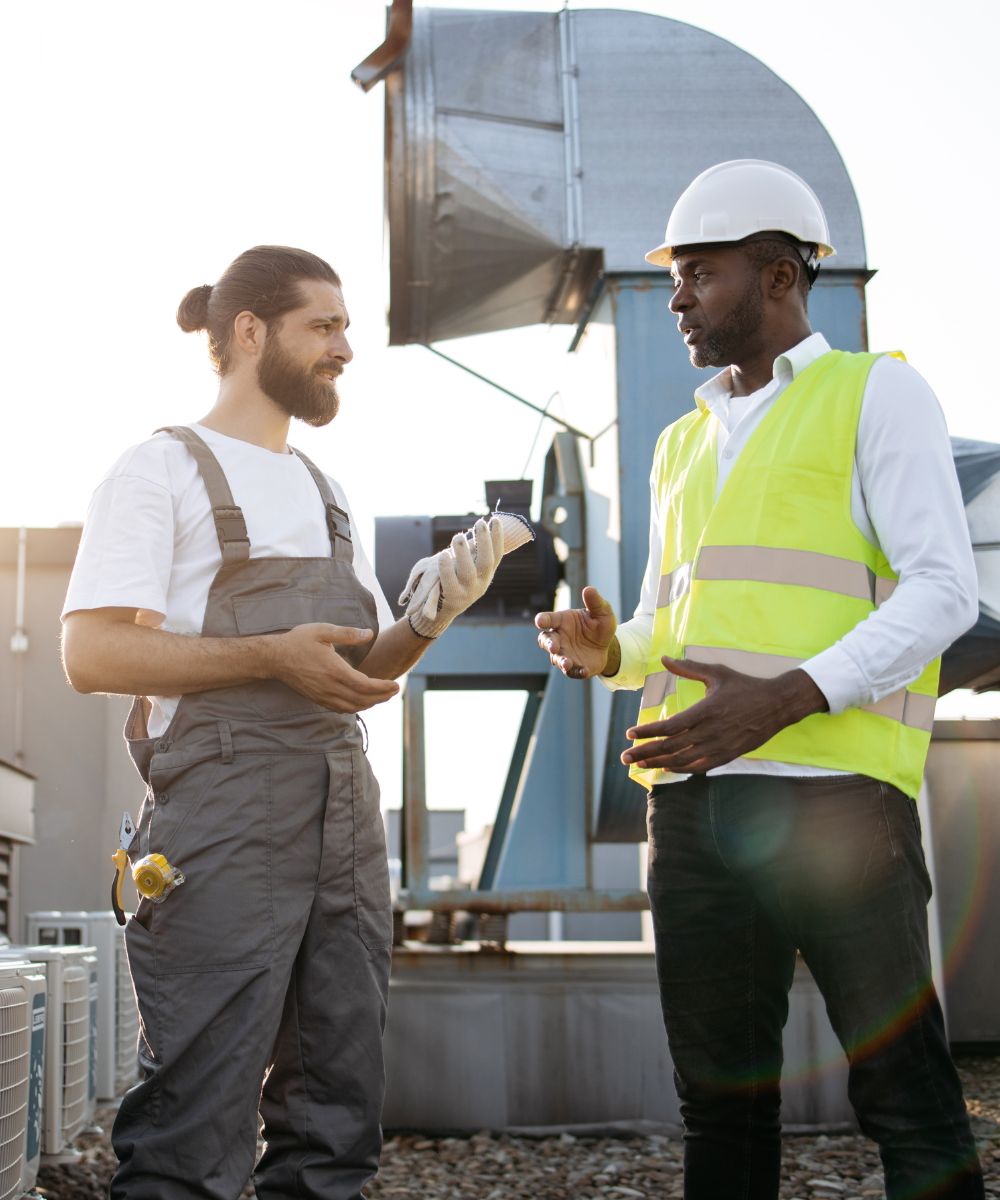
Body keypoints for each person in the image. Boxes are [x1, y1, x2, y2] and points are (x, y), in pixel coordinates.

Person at [535, 161, 984, 1199]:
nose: (677, 298)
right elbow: (671, 627)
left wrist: (788, 696)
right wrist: (611, 651)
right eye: (676, 277)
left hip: (835, 803)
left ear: (778, 275)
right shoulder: (679, 443)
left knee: (902, 1095)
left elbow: (943, 591)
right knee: (719, 1106)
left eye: (699, 274)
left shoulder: (877, 392)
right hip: (691, 812)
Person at [61, 245, 524, 1200]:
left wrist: (430, 616)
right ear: (248, 332)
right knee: (195, 1120)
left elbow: (353, 672)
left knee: (335, 1113)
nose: (346, 348)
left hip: (341, 810)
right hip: (223, 811)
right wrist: (266, 655)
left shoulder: (326, 490)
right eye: (325, 325)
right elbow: (91, 654)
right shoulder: (160, 470)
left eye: (346, 327)